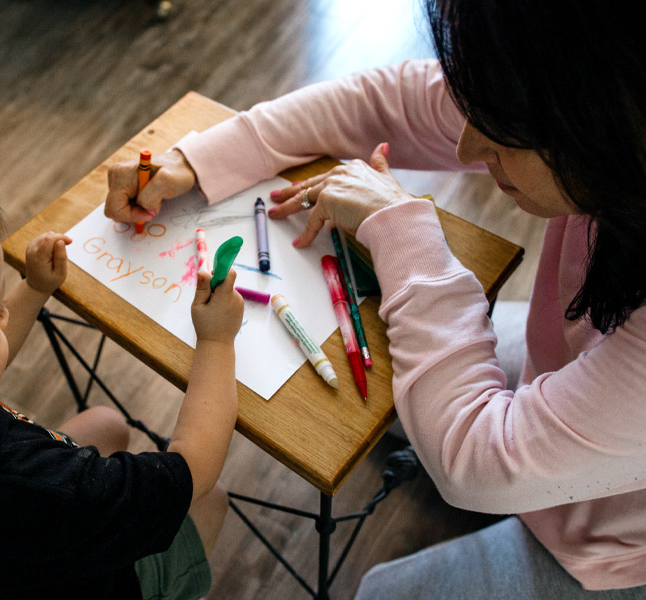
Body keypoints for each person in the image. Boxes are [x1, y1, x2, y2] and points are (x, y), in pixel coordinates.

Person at [103, 0, 646, 597]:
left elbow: (477, 464)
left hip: (619, 544)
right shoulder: (588, 99)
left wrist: (404, 231)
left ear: (606, 122)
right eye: (473, 107)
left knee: (382, 588)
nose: (466, 149)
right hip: (577, 367)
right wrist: (194, 160)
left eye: (501, 133)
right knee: (397, 393)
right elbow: (384, 103)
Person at [0, 160, 244, 600]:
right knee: (213, 500)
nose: (4, 316)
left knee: (107, 423)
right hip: (102, 583)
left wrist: (33, 288)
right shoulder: (46, 495)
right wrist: (216, 341)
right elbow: (190, 470)